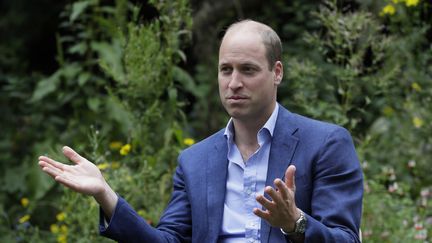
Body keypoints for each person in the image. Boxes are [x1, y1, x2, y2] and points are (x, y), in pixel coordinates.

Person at [39, 19, 363, 243]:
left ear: (276, 72)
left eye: (248, 70)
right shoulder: (195, 161)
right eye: (226, 70)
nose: (234, 83)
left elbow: (346, 239)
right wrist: (106, 195)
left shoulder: (325, 144)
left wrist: (296, 224)